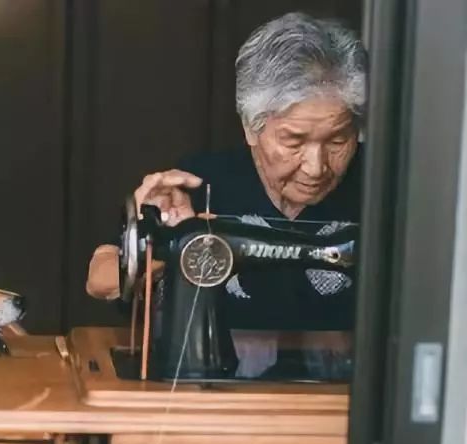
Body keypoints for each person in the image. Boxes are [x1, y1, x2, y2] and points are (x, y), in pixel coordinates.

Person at [85, 13, 367, 377]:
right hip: (219, 397)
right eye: (294, 141)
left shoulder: (382, 187)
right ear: (252, 128)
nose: (316, 166)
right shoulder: (201, 183)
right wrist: (171, 240)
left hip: (344, 405)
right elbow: (100, 280)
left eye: (338, 141)